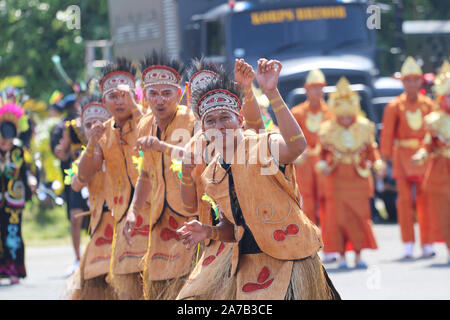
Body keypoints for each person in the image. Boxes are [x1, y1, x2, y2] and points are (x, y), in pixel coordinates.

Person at [176, 58, 340, 300]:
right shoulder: (212, 174)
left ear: (239, 120)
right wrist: (207, 231)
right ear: (203, 128)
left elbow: (296, 146)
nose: (219, 126)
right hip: (250, 265)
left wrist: (271, 91)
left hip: (291, 258)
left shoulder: (262, 143)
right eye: (210, 121)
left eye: (225, 117)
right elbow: (233, 230)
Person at [77, 57, 149, 299]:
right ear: (103, 98)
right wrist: (92, 143)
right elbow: (83, 175)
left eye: (124, 95)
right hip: (123, 221)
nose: (119, 102)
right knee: (127, 291)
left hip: (155, 215)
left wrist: (137, 108)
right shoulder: (103, 131)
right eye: (113, 96)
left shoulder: (150, 119)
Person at [315, 77, 384, 269]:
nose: (345, 120)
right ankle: (342, 256)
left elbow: (372, 150)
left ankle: (359, 255)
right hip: (336, 180)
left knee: (360, 217)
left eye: (348, 116)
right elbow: (321, 155)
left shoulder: (364, 126)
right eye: (342, 116)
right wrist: (323, 166)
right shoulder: (327, 129)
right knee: (338, 220)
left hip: (358, 179)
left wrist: (377, 163)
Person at [380, 56, 436, 259]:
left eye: (415, 79)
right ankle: (408, 243)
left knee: (426, 200)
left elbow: (435, 132)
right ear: (402, 82)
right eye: (408, 80)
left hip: (425, 158)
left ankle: (428, 242)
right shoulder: (394, 106)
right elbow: (387, 135)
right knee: (404, 201)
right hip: (402, 158)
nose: (412, 84)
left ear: (421, 81)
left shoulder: (429, 105)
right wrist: (384, 161)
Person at [68, 97, 116, 299]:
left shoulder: (121, 149)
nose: (93, 128)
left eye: (98, 123)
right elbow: (76, 184)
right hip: (99, 227)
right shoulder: (83, 158)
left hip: (123, 224)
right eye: (88, 125)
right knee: (96, 282)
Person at [412, 60, 450, 264]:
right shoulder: (435, 120)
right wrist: (421, 155)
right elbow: (427, 145)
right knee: (445, 212)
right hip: (441, 171)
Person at [0, 102, 37, 285]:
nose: (4, 144)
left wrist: (31, 180)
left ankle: (15, 269)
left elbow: (25, 172)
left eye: (7, 141)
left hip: (14, 199)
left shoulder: (19, 150)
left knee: (12, 233)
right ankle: (3, 270)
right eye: (1, 140)